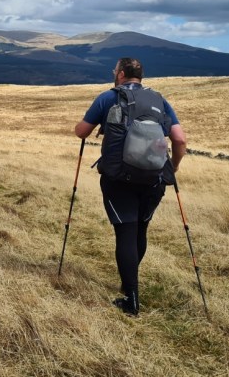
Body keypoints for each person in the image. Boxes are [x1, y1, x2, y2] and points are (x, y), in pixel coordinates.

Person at [73, 57, 187, 316]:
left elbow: (81, 132)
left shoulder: (108, 98)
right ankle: (128, 284)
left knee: (125, 232)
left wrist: (82, 127)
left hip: (118, 178)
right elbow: (180, 140)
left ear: (121, 74)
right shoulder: (159, 100)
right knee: (140, 230)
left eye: (115, 70)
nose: (114, 73)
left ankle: (131, 299)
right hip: (154, 179)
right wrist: (174, 167)